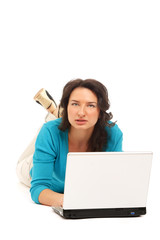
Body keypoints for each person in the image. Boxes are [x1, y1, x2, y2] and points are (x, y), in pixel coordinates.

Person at [16, 78, 123, 207]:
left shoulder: (113, 133)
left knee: (53, 128)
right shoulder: (49, 132)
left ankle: (55, 113)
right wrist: (71, 201)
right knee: (49, 130)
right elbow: (38, 189)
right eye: (75, 104)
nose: (81, 112)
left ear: (100, 111)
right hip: (31, 170)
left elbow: (114, 181)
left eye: (90, 105)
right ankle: (54, 116)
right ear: (66, 107)